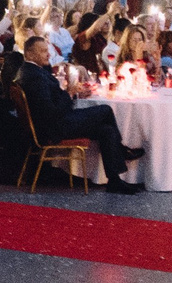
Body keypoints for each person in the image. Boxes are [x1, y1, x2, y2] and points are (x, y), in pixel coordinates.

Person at [15, 35, 145, 193]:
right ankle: (122, 151)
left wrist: (73, 94)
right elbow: (50, 112)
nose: (48, 54)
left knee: (107, 130)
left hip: (55, 123)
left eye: (46, 50)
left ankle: (114, 180)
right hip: (54, 128)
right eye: (43, 51)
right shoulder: (33, 76)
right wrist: (69, 93)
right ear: (29, 54)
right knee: (105, 110)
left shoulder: (31, 71)